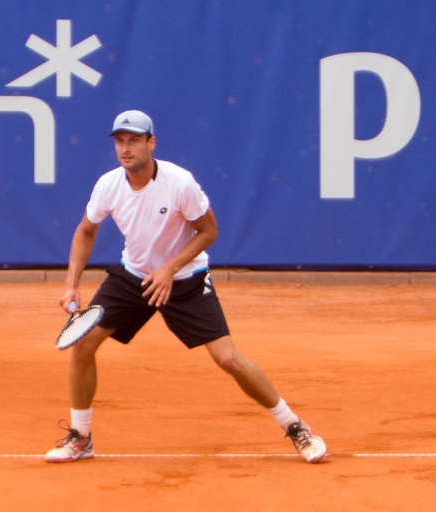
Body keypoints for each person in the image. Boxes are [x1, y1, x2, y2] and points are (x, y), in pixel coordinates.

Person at [45, 110, 327, 464]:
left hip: (186, 280)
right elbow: (86, 230)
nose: (126, 148)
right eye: (120, 141)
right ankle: (81, 437)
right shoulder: (108, 185)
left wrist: (170, 268)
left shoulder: (180, 183)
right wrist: (71, 284)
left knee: (228, 358)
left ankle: (296, 426)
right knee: (83, 344)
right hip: (133, 277)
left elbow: (209, 231)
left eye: (134, 140)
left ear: (151, 143)